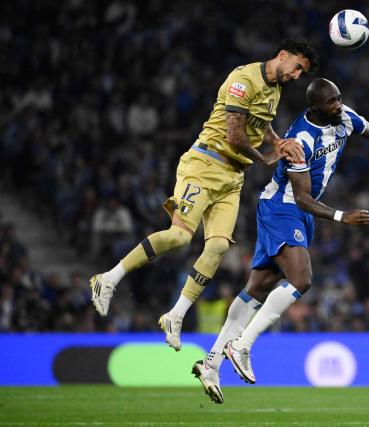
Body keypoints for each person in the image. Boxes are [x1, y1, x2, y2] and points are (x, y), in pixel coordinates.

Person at [191, 78, 369, 403]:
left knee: (258, 288)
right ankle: (242, 345)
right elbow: (302, 196)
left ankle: (211, 363)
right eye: (331, 102)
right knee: (301, 279)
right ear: (314, 107)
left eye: (338, 99)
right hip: (283, 207)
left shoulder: (344, 117)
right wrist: (341, 216)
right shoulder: (300, 138)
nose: (338, 105)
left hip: (297, 211)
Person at [88, 39, 319, 352]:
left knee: (219, 246)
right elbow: (235, 134)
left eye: (302, 73)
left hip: (232, 177)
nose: (296, 76)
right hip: (204, 163)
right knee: (180, 237)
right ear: (283, 55)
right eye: (297, 67)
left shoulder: (274, 89)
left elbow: (260, 122)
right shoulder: (244, 80)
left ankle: (176, 314)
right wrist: (266, 158)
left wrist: (277, 141)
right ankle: (109, 278)